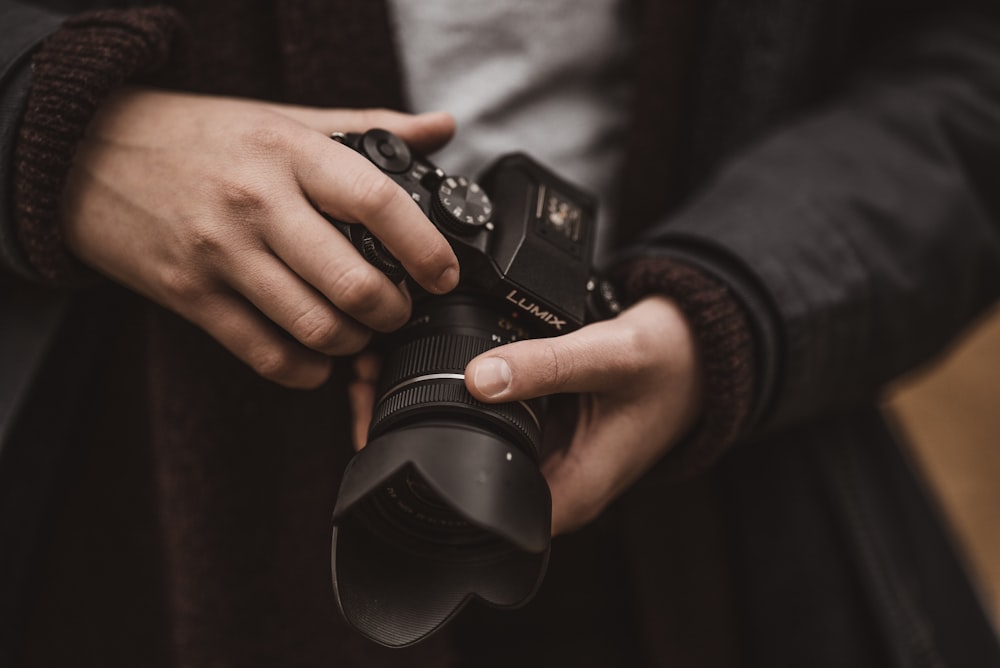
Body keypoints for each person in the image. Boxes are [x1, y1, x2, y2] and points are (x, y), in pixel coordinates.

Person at [1, 0, 999, 666]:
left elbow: (966, 64)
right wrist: (61, 138)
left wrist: (728, 309)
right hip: (112, 500)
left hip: (705, 503)